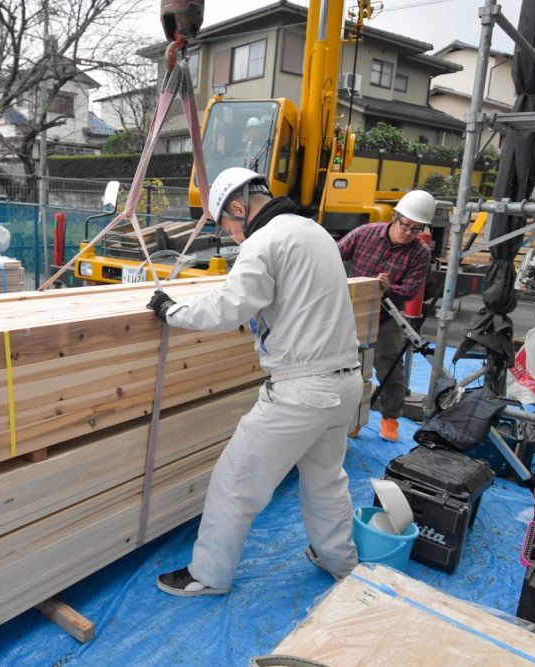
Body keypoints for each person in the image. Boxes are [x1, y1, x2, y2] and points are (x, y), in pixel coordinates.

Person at [147, 167, 363, 596]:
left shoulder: (263, 241)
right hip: (346, 383)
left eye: (226, 225)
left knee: (235, 481)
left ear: (240, 209)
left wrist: (173, 312)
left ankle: (208, 575)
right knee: (325, 479)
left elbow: (229, 307)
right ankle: (340, 560)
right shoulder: (314, 231)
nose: (230, 235)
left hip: (302, 390)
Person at [337, 189, 434, 443]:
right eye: (406, 225)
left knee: (389, 365)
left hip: (387, 314)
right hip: (353, 312)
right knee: (346, 366)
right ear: (395, 217)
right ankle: (350, 417)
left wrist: (388, 288)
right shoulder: (365, 234)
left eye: (416, 229)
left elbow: (411, 290)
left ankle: (390, 417)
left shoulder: (420, 253)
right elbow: (335, 254)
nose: (409, 232)